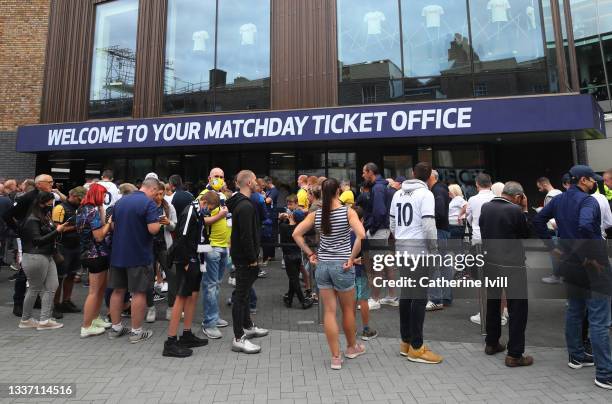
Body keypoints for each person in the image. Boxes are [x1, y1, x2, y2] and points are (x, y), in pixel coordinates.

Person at [534, 165, 612, 390]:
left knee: (575, 310)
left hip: (569, 264)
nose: (594, 183)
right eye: (592, 180)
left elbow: (538, 221)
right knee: (599, 318)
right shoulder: (589, 201)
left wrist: (553, 246)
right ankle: (605, 374)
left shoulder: (558, 200)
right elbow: (587, 225)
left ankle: (576, 357)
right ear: (584, 180)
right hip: (593, 266)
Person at [294, 178, 367, 370]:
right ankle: (351, 348)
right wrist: (351, 258)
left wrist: (310, 253)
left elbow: (296, 234)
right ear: (337, 192)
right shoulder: (347, 212)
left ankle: (335, 357)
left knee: (329, 312)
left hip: (323, 266)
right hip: (342, 266)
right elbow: (362, 234)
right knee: (348, 310)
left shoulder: (317, 214)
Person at [390, 162, 443, 364]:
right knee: (419, 298)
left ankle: (406, 342)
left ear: (412, 174)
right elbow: (429, 224)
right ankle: (417, 347)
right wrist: (434, 250)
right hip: (419, 251)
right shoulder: (426, 195)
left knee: (407, 295)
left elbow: (392, 223)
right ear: (429, 177)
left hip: (403, 249)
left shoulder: (398, 194)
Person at [480, 182, 533, 367]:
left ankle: (492, 342)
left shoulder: (486, 208)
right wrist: (525, 210)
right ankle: (515, 353)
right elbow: (525, 234)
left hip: (490, 262)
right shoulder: (515, 211)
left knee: (493, 302)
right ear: (518, 197)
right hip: (512, 265)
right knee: (517, 307)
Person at [107, 178, 163, 343]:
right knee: (138, 292)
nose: (157, 197)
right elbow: (153, 229)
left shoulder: (121, 202)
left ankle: (116, 327)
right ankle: (136, 331)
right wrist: (160, 222)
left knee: (118, 291)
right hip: (139, 255)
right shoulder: (149, 204)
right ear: (152, 189)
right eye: (157, 193)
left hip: (118, 254)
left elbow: (113, 226)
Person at [226, 170, 269, 354]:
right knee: (241, 297)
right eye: (255, 181)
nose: (258, 183)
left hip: (243, 257)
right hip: (245, 258)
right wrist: (252, 258)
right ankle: (238, 337)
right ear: (249, 182)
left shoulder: (242, 204)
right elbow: (246, 235)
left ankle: (247, 326)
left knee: (242, 295)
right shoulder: (245, 206)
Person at [162, 194, 210, 358]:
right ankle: (170, 342)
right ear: (204, 202)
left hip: (195, 257)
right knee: (181, 297)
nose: (208, 211)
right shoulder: (191, 211)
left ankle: (187, 334)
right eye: (208, 208)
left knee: (192, 295)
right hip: (187, 259)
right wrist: (186, 260)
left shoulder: (197, 211)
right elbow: (182, 236)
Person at [3, 174, 56, 317]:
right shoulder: (27, 197)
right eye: (49, 182)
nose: (52, 183)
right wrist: (19, 229)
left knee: (43, 271)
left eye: (52, 181)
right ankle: (18, 303)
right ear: (39, 184)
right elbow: (7, 215)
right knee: (24, 272)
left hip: (43, 237)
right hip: (29, 239)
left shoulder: (49, 196)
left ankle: (38, 301)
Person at [19, 192, 68, 330]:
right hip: (36, 256)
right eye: (49, 203)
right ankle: (26, 319)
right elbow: (37, 241)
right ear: (42, 203)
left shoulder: (42, 217)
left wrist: (56, 230)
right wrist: (57, 231)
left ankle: (44, 320)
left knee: (52, 286)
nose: (51, 206)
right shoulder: (32, 220)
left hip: (46, 255)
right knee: (35, 288)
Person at [77, 184, 113, 337]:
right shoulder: (91, 211)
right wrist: (109, 223)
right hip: (95, 255)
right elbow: (99, 235)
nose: (105, 198)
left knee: (99, 290)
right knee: (94, 291)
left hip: (91, 254)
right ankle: (86, 325)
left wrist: (102, 209)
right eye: (103, 195)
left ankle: (95, 318)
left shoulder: (83, 208)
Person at [199, 189, 231, 339]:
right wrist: (220, 215)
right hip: (212, 248)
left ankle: (214, 316)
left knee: (216, 284)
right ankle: (209, 322)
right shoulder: (204, 204)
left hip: (223, 247)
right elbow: (202, 220)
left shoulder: (220, 203)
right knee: (211, 285)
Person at [466, 173, 496, 325]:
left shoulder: (473, 199)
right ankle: (502, 313)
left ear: (477, 184)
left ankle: (484, 313)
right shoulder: (497, 198)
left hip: (478, 242)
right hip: (496, 242)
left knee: (481, 280)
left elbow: (469, 220)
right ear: (491, 184)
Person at [52, 186, 86, 317]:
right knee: (59, 277)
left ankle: (66, 301)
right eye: (79, 199)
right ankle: (55, 304)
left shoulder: (79, 208)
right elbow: (57, 229)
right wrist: (77, 227)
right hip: (63, 247)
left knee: (71, 275)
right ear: (73, 196)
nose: (81, 201)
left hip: (76, 246)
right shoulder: (60, 208)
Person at [361, 163, 392, 310]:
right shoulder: (381, 186)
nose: (363, 175)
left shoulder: (378, 187)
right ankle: (391, 296)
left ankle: (375, 299)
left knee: (377, 265)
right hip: (381, 229)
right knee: (385, 263)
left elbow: (380, 211)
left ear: (370, 172)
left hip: (378, 230)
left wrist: (372, 228)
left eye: (364, 172)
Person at [148, 182, 177, 322]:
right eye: (157, 194)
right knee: (148, 278)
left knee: (172, 275)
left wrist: (168, 223)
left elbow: (175, 226)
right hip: (149, 245)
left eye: (162, 194)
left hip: (165, 246)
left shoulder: (168, 206)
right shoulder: (147, 206)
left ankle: (171, 307)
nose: (159, 197)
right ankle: (150, 308)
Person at [426, 169, 452, 311]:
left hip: (439, 231)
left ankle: (436, 299)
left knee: (436, 265)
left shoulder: (437, 189)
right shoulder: (439, 189)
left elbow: (440, 212)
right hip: (442, 230)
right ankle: (445, 297)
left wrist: (428, 218)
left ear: (431, 176)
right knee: (443, 264)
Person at [351, 206, 378, 341]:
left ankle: (352, 329)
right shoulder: (362, 235)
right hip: (361, 271)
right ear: (361, 220)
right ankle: (366, 329)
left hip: (348, 272)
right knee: (363, 299)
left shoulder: (344, 234)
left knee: (351, 300)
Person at [279, 207, 313, 309]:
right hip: (298, 255)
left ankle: (302, 301)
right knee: (293, 277)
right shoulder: (299, 228)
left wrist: (282, 218)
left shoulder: (284, 227)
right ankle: (289, 298)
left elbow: (280, 224)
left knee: (294, 279)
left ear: (291, 216)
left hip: (288, 257)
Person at [537, 177, 564, 284]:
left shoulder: (549, 196)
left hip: (554, 228)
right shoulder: (560, 192)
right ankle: (562, 275)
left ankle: (556, 276)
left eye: (538, 186)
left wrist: (541, 211)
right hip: (563, 227)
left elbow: (551, 215)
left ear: (543, 184)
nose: (538, 189)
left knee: (555, 252)